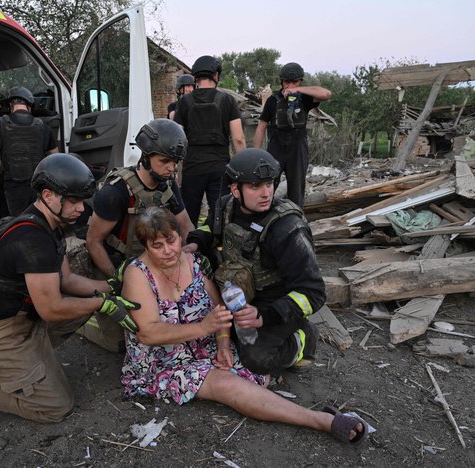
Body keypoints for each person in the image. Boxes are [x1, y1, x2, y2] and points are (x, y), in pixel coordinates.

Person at [121, 206, 367, 445]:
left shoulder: (192, 261)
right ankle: (319, 420)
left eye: (171, 241)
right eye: (157, 246)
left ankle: (301, 341)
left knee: (260, 376)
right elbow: (149, 332)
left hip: (202, 345)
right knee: (227, 386)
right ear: (145, 246)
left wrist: (223, 344)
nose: (168, 251)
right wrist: (203, 328)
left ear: (180, 236)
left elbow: (218, 309)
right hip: (162, 359)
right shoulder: (138, 273)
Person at [0, 153, 140, 423]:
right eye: (73, 201)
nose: (81, 209)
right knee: (54, 406)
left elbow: (67, 281)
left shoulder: (49, 225)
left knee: (87, 300)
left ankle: (26, 366)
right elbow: (52, 309)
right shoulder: (32, 239)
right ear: (48, 195)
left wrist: (111, 287)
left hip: (22, 321)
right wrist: (102, 302)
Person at [185, 148, 326, 376]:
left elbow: (314, 292)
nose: (265, 193)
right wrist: (195, 243)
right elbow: (209, 228)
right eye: (255, 186)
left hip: (274, 305)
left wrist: (265, 316)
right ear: (235, 190)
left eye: (269, 184)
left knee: (256, 359)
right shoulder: (224, 206)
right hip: (235, 294)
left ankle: (304, 339)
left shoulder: (287, 228)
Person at [87, 119, 194, 278]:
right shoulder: (115, 192)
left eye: (175, 161)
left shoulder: (168, 185)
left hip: (158, 263)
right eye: (164, 161)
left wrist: (190, 254)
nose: (171, 168)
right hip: (123, 266)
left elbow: (186, 226)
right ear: (145, 157)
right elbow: (93, 242)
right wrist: (117, 280)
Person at [174, 55, 246, 226]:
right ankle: (217, 250)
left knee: (189, 217)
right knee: (220, 215)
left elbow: (177, 138)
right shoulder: (227, 100)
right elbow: (238, 139)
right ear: (216, 75)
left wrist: (175, 169)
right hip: (219, 168)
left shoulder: (184, 101)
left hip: (192, 168)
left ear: (196, 77)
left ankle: (189, 249)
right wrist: (242, 170)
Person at [253, 62, 331, 208]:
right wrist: (255, 154)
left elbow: (326, 94)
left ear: (300, 81)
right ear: (281, 82)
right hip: (276, 147)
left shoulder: (304, 99)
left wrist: (298, 90)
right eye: (287, 82)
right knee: (266, 185)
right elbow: (261, 127)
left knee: (296, 191)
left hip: (298, 148)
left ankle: (295, 220)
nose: (290, 85)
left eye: (294, 81)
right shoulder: (273, 100)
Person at [0, 86, 59, 215]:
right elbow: (55, 158)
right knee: (38, 220)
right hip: (37, 186)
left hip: (13, 186)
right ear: (29, 106)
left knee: (18, 222)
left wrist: (5, 171)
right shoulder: (43, 127)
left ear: (11, 105)